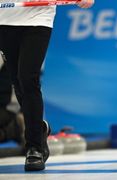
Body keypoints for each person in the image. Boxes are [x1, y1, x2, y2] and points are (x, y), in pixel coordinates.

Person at [0, 0, 94, 171]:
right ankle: (39, 127)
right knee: (18, 83)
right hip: (5, 18)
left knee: (28, 78)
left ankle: (34, 147)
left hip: (38, 17)